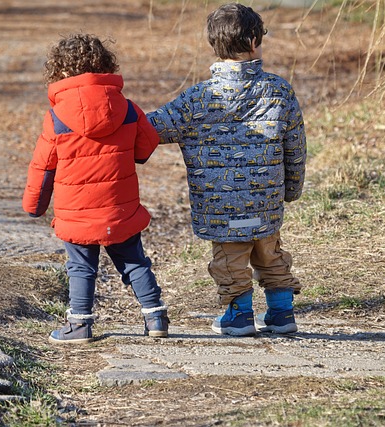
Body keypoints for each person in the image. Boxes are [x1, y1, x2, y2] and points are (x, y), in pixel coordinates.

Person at [147, 3, 306, 336]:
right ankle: (281, 312)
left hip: (221, 207)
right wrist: (290, 190)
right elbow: (295, 147)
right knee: (270, 252)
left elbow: (153, 129)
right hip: (265, 201)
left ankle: (240, 314)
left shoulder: (197, 99)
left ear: (213, 45)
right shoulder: (279, 91)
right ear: (253, 42)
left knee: (230, 260)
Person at [23, 33, 168, 344]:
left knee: (80, 267)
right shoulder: (127, 109)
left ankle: (79, 326)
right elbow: (147, 146)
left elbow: (43, 165)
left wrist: (34, 205)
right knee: (134, 262)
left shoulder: (57, 117)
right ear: (104, 66)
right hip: (120, 206)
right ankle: (155, 317)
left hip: (75, 211)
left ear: (59, 72)